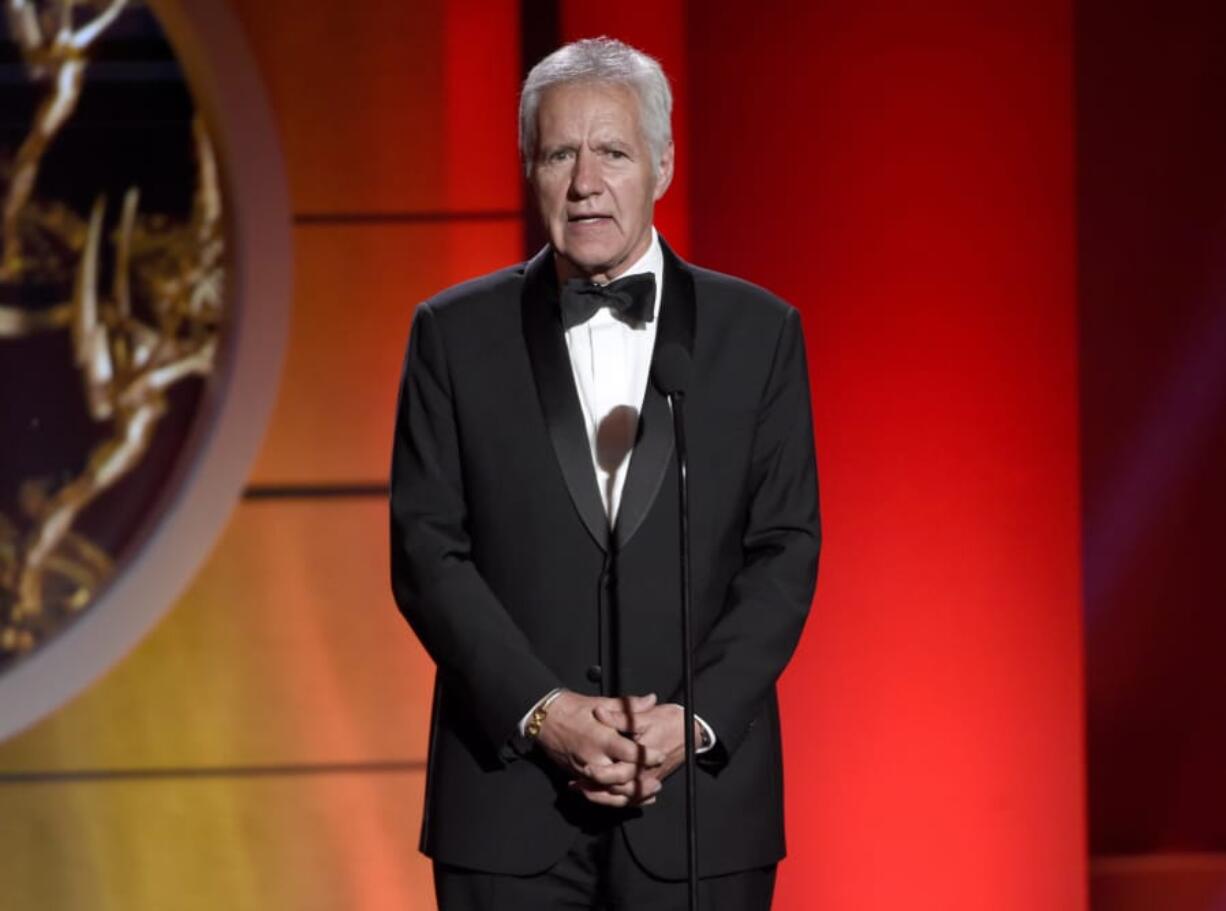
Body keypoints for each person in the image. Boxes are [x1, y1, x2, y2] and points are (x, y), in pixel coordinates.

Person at [390, 36, 820, 910]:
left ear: (661, 163)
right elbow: (426, 551)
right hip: (506, 808)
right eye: (560, 153)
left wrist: (690, 719)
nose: (586, 181)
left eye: (613, 152)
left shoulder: (758, 332)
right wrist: (543, 712)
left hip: (699, 808)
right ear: (529, 169)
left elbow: (784, 550)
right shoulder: (453, 334)